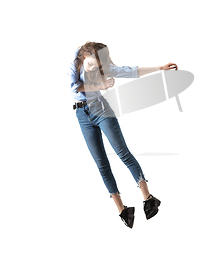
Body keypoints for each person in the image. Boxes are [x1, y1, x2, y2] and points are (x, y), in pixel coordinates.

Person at [68, 41, 177, 228]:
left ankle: (148, 198)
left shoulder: (104, 66)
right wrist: (101, 84)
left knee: (123, 153)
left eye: (99, 65)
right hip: (81, 115)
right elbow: (75, 87)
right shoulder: (74, 63)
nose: (95, 67)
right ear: (84, 57)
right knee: (101, 163)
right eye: (92, 64)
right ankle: (122, 210)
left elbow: (130, 71)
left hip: (101, 110)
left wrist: (160, 68)